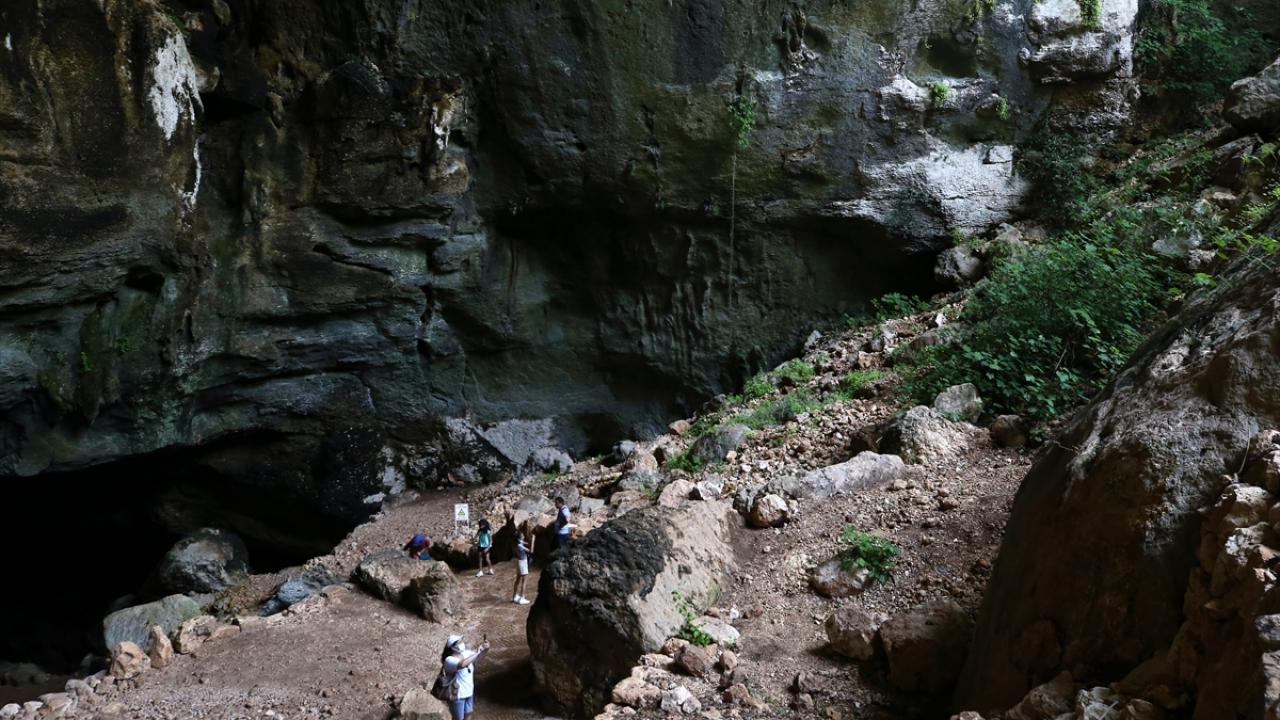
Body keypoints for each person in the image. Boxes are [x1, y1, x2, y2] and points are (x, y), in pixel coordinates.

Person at [441, 634, 489, 720]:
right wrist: (478, 652)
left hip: (469, 692)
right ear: (452, 647)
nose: (462, 643)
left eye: (461, 641)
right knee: (458, 718)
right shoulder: (449, 660)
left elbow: (479, 657)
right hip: (457, 695)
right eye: (459, 642)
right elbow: (462, 664)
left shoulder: (466, 653)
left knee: (468, 714)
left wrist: (485, 649)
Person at [512, 521, 534, 605]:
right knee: (524, 580)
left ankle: (514, 596)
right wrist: (533, 540)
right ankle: (522, 597)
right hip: (523, 562)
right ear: (519, 538)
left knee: (517, 579)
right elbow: (531, 551)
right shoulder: (520, 545)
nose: (523, 535)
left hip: (518, 562)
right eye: (522, 535)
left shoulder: (517, 543)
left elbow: (525, 543)